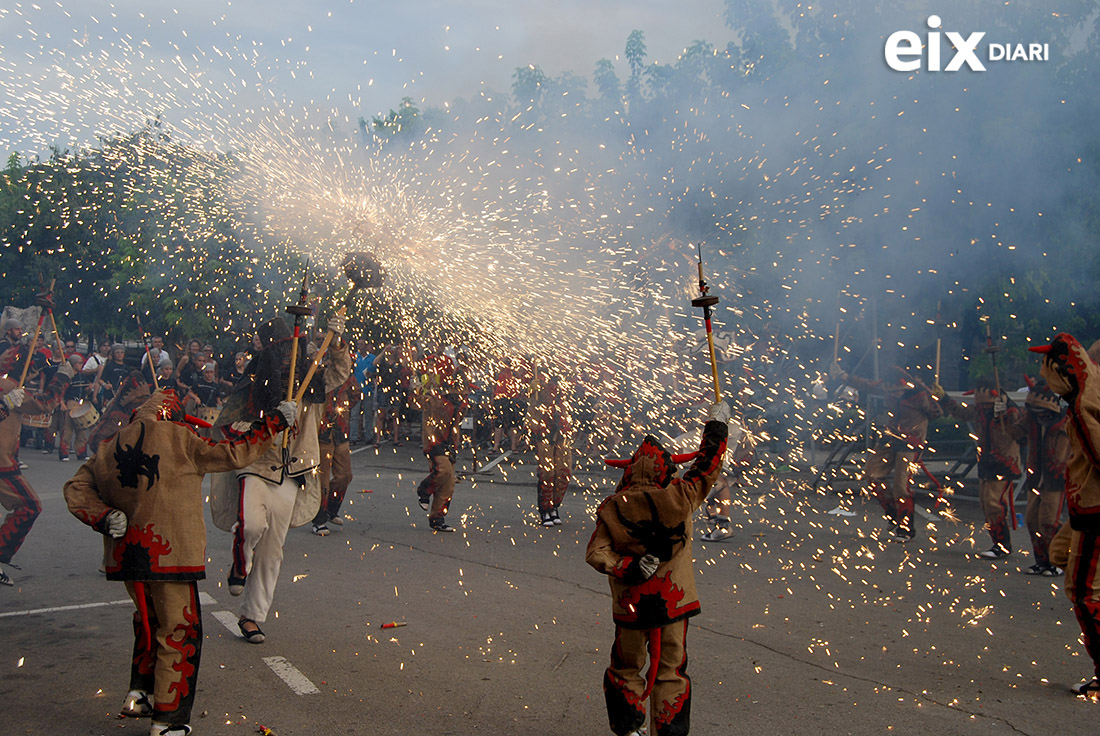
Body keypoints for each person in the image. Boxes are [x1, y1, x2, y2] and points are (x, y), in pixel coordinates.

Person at [63, 389, 295, 736]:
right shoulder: (181, 438)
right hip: (170, 553)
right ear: (173, 414)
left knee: (147, 620)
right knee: (178, 632)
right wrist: (274, 422)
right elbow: (234, 453)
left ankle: (139, 695)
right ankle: (167, 722)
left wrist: (104, 516)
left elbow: (76, 488)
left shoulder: (109, 444)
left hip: (127, 555)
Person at [586, 401, 728, 736]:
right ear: (667, 472)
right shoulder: (678, 497)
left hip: (631, 607)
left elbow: (596, 553)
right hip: (672, 604)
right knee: (670, 670)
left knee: (626, 667)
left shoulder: (611, 507)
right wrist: (716, 429)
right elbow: (705, 469)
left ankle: (627, 728)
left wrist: (626, 566)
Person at [210, 312, 349, 644]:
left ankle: (252, 616)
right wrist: (268, 422)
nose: (288, 356)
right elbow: (232, 426)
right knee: (252, 525)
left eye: (293, 349)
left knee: (273, 549)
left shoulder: (310, 378)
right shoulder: (255, 381)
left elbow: (340, 372)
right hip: (256, 463)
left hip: (293, 469)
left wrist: (338, 342)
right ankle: (238, 564)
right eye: (281, 350)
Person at [1030, 334, 1100, 695]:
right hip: (1084, 509)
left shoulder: (1084, 405)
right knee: (1060, 555)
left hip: (1095, 511)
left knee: (1086, 594)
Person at [829, 364, 943, 541]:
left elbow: (936, 413)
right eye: (892, 390)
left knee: (901, 486)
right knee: (872, 475)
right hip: (891, 437)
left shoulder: (920, 395)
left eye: (898, 390)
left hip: (911, 442)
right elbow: (866, 385)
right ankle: (893, 515)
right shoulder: (886, 386)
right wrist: (844, 376)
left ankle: (905, 529)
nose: (895, 393)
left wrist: (937, 397)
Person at [0, 348, 73, 585]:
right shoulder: (9, 387)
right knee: (29, 506)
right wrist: (62, 377)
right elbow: (46, 404)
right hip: (1, 463)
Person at [940, 376, 1027, 557]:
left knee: (995, 503)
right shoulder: (980, 409)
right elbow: (961, 413)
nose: (984, 408)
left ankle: (1002, 545)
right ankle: (997, 542)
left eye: (987, 405)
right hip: (986, 461)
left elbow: (1021, 434)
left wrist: (1004, 417)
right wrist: (944, 398)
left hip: (1004, 463)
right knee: (986, 503)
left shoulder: (1010, 411)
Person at [1020, 377, 1069, 576]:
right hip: (1035, 477)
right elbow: (1015, 433)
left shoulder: (1066, 422)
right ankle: (1041, 561)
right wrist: (1001, 417)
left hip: (1055, 479)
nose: (1039, 416)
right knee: (1032, 521)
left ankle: (1058, 561)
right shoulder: (1030, 420)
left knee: (1048, 521)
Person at [415, 353, 466, 532]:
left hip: (451, 441)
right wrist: (424, 388)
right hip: (434, 439)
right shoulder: (431, 393)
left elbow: (461, 413)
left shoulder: (456, 394)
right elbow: (416, 402)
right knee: (443, 471)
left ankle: (437, 518)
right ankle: (424, 490)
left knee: (449, 483)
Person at [311, 371, 362, 535]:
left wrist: (343, 410)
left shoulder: (347, 375)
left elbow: (356, 395)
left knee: (345, 475)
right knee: (322, 480)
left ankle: (331, 509)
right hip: (322, 434)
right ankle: (319, 519)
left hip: (341, 431)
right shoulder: (319, 374)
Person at [527, 367, 572, 527]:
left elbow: (566, 405)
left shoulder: (563, 380)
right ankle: (545, 509)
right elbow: (532, 406)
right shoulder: (538, 381)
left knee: (564, 472)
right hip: (544, 431)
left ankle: (554, 505)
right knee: (547, 472)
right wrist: (533, 392)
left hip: (562, 432)